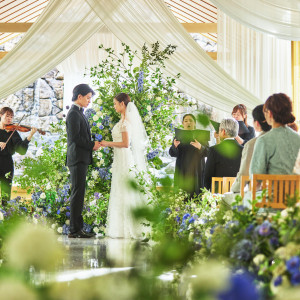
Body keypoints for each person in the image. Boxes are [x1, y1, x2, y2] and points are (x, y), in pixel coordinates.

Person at [100, 93, 148, 239]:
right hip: (119, 159)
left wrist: (107, 143)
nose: (114, 106)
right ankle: (120, 227)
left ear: (122, 104)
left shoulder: (126, 122)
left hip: (125, 158)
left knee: (126, 190)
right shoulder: (122, 120)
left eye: (115, 103)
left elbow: (126, 144)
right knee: (119, 189)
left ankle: (132, 226)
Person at [66, 84, 101, 238]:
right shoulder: (73, 113)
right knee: (77, 193)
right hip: (77, 158)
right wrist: (92, 145)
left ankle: (77, 228)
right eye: (87, 98)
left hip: (81, 157)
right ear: (79, 97)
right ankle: (74, 230)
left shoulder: (79, 113)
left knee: (79, 193)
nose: (89, 101)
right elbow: (75, 138)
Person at [250, 93, 300, 175]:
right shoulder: (298, 139)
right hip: (297, 188)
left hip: (273, 188)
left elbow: (256, 177)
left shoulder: (264, 141)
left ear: (269, 113)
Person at [0, 107, 37, 205]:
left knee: (6, 192)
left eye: (11, 117)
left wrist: (30, 135)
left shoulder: (13, 131)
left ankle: (4, 215)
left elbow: (21, 150)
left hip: (6, 163)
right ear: (1, 115)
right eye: (7, 116)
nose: (9, 119)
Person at [231, 104, 272, 193]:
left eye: (238, 114)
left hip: (264, 197)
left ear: (256, 123)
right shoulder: (293, 139)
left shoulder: (252, 144)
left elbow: (244, 176)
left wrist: (233, 189)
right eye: (234, 114)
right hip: (291, 197)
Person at [169, 114, 208, 197]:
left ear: (195, 123)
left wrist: (200, 147)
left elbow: (209, 153)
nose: (188, 123)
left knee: (198, 196)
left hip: (197, 169)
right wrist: (174, 146)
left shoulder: (201, 135)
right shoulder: (178, 136)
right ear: (183, 123)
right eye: (186, 121)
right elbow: (172, 153)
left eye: (191, 120)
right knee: (182, 197)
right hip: (182, 169)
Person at [204, 118, 243, 191]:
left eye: (219, 130)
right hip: (238, 194)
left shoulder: (214, 150)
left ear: (223, 131)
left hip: (218, 194)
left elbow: (208, 175)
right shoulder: (244, 150)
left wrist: (207, 193)